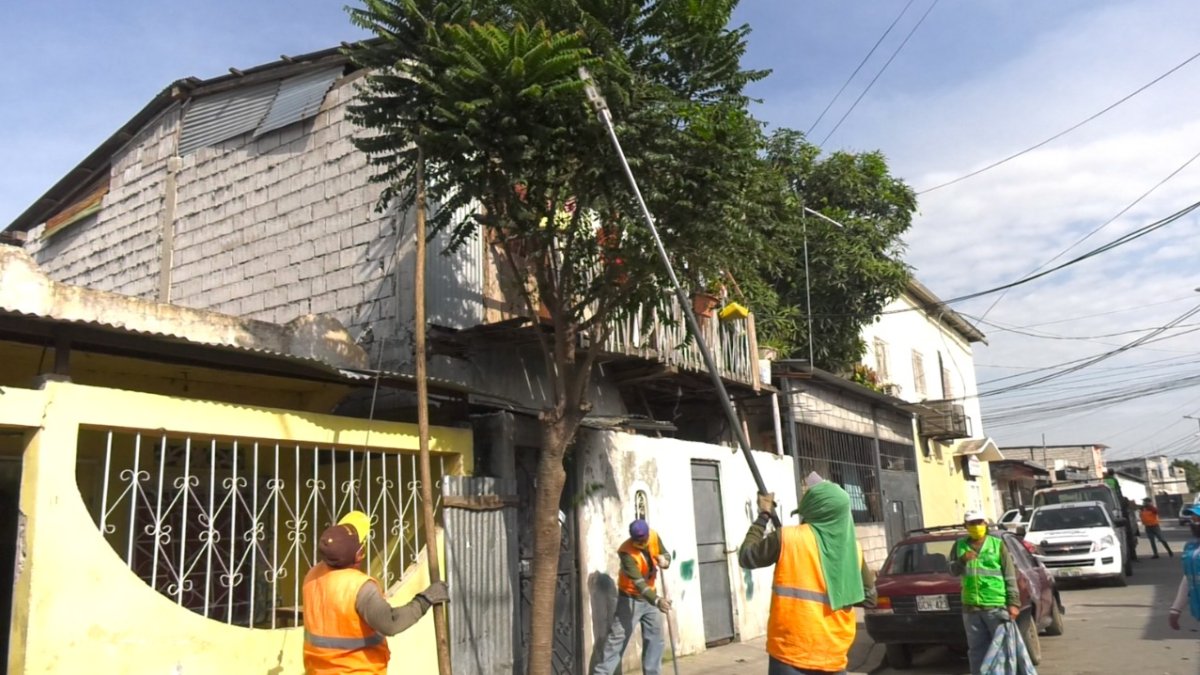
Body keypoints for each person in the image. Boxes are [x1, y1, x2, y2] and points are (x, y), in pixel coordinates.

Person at [739, 476, 876, 675]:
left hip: (790, 651)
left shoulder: (787, 538)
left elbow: (746, 556)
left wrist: (764, 514)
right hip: (833, 653)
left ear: (811, 509)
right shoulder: (853, 549)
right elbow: (870, 598)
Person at [302, 510, 450, 675]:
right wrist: (425, 599)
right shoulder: (360, 588)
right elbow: (391, 623)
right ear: (359, 555)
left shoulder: (312, 576)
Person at [593, 519, 673, 675]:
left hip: (651, 598)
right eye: (639, 539)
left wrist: (666, 560)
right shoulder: (626, 552)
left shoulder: (654, 536)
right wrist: (657, 601)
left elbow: (665, 553)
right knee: (617, 642)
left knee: (655, 641)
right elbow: (639, 584)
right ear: (633, 537)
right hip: (630, 600)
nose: (643, 541)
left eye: (644, 538)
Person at [950, 510, 1021, 675]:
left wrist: (1014, 603)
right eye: (972, 523)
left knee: (1001, 650)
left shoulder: (997, 545)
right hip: (971, 608)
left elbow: (1010, 575)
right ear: (965, 526)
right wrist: (962, 560)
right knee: (976, 651)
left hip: (996, 606)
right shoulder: (959, 546)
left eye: (979, 522)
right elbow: (952, 571)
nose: (976, 526)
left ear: (985, 524)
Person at [1168, 504, 1200, 631]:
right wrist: (1176, 609)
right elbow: (1188, 578)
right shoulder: (1191, 546)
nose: (1194, 522)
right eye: (1193, 519)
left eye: (1197, 519)